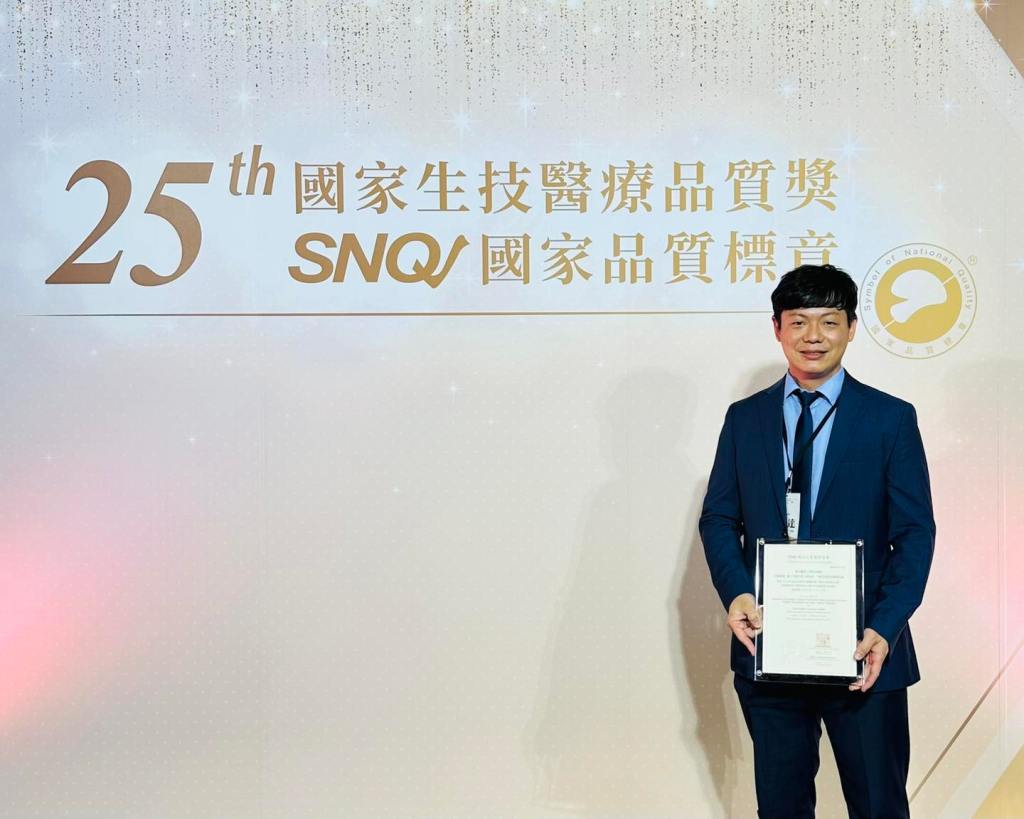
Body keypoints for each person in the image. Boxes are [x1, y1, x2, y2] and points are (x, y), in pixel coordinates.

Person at [699, 263, 935, 818]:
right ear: (776, 328)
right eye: (798, 321)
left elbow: (914, 533)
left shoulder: (890, 419)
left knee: (878, 805)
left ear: (851, 328)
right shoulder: (745, 419)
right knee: (780, 807)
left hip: (863, 650)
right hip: (769, 645)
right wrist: (737, 594)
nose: (813, 336)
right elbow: (719, 518)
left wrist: (885, 626)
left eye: (829, 322)